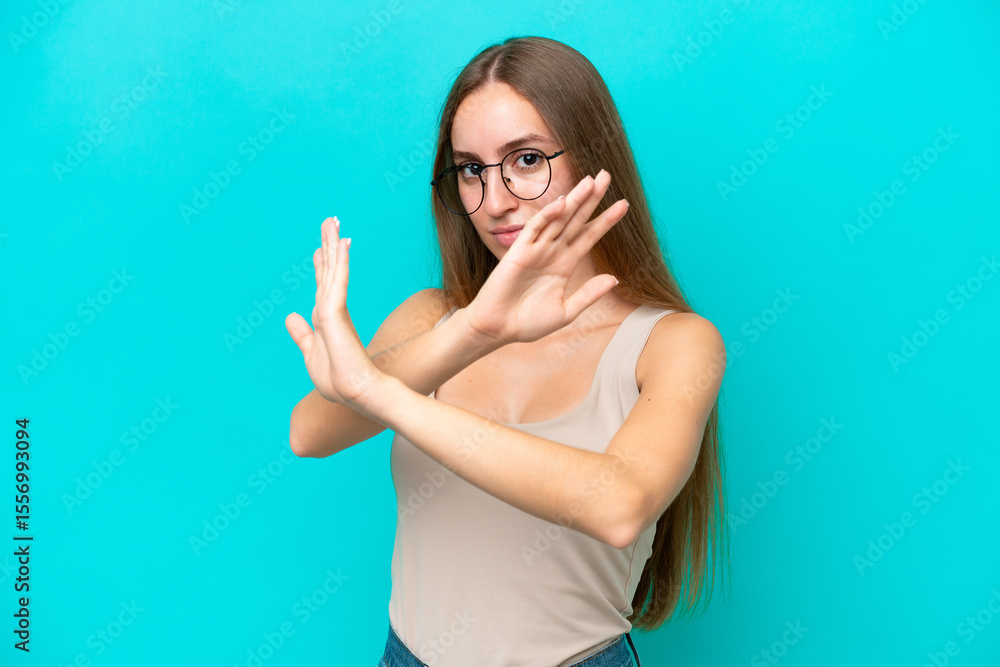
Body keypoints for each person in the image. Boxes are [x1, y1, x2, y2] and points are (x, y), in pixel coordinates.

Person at [285, 36, 729, 667]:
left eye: (525, 159)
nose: (494, 202)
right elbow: (311, 431)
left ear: (594, 160)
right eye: (471, 169)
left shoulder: (676, 343)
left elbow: (618, 504)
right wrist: (474, 334)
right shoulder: (430, 317)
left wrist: (379, 389)